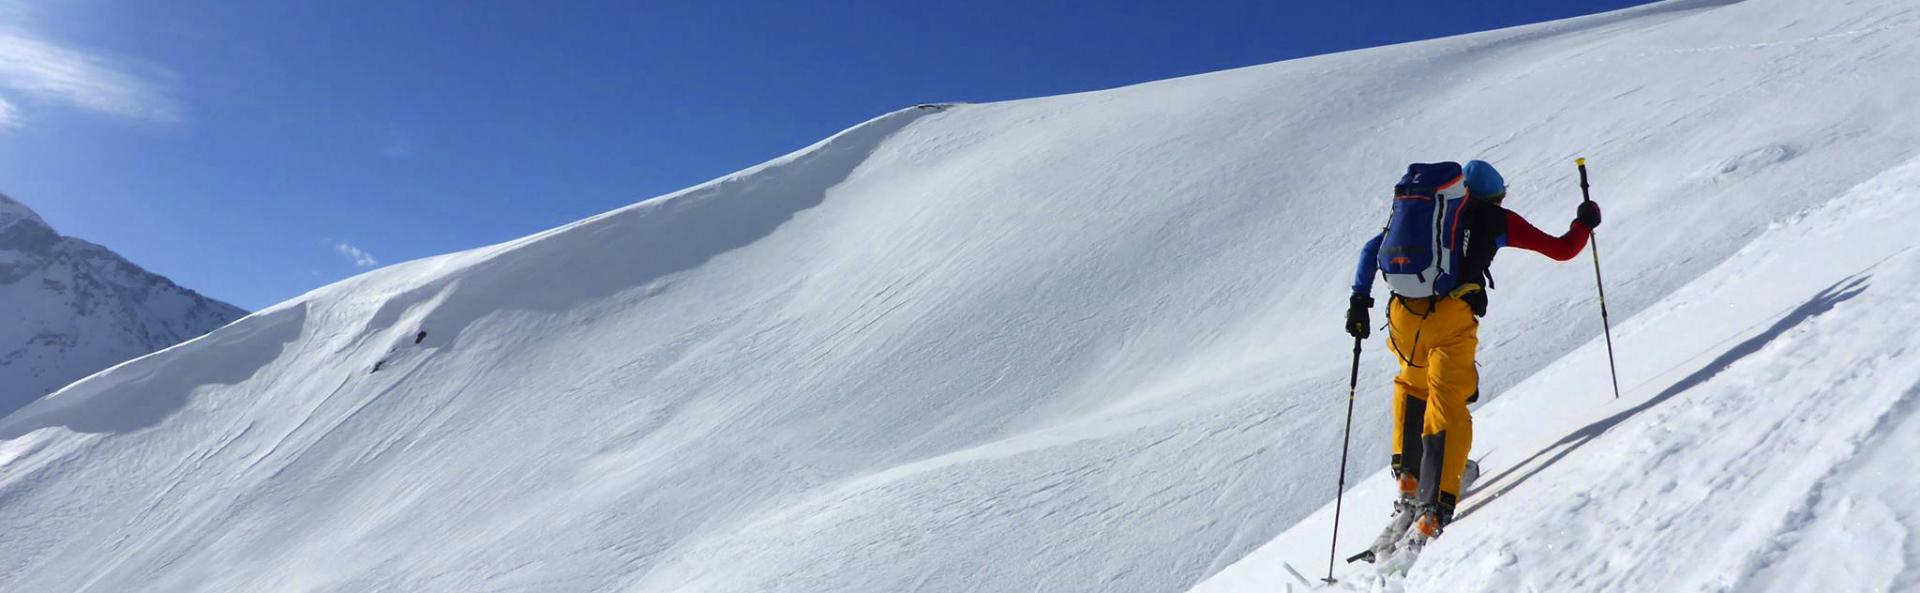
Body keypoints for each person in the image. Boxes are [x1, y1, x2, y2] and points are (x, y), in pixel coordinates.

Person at [1346, 160, 1602, 549]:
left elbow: (1370, 250)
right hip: (1450, 317)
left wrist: (1359, 301)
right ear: (1495, 196)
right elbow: (1563, 250)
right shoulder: (1496, 219)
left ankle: (1410, 477)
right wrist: (1584, 222)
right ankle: (1435, 505)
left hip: (1402, 313)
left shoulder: (1434, 213)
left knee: (1413, 386)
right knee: (1447, 399)